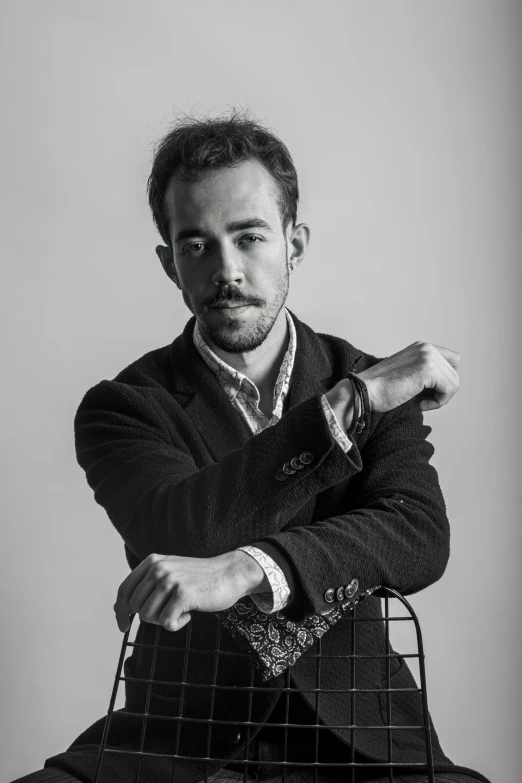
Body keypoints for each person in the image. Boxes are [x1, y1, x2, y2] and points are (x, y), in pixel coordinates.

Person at [13, 110, 491, 783]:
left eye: (250, 237)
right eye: (197, 245)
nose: (226, 269)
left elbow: (416, 534)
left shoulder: (375, 380)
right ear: (169, 263)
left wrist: (250, 566)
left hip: (363, 742)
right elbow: (181, 523)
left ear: (294, 244)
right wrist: (346, 406)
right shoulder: (123, 407)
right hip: (177, 741)